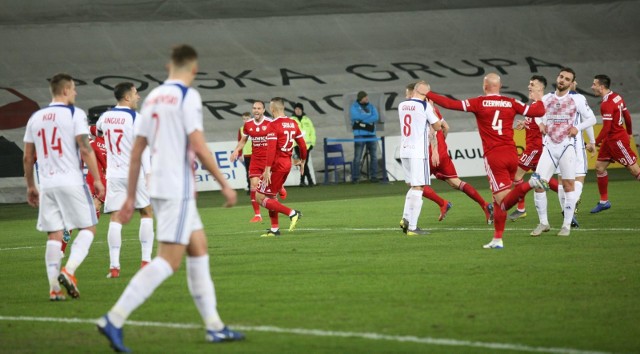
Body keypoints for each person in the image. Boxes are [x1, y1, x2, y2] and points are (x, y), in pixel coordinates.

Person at [97, 45, 244, 352]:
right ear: (194, 69)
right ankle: (114, 317)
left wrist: (128, 198)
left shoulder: (152, 99)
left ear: (168, 66)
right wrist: (224, 183)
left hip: (163, 185)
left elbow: (137, 150)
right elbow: (199, 144)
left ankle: (214, 326)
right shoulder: (187, 96)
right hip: (175, 187)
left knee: (199, 248)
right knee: (169, 260)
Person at [427, 73, 546, 249]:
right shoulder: (511, 102)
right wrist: (540, 97)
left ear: (485, 86)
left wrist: (428, 94)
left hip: (495, 157)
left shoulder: (479, 102)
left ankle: (530, 184)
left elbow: (451, 104)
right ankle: (497, 239)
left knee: (503, 201)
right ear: (500, 86)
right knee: (497, 201)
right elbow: (539, 111)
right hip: (511, 154)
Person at [22, 73, 105, 300]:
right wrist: (97, 179)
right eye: (74, 89)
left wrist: (31, 186)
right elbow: (86, 148)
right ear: (66, 90)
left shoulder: (35, 118)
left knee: (54, 235)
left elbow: (28, 157)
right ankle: (69, 271)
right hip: (71, 181)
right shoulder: (74, 114)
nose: (76, 93)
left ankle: (54, 290)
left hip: (47, 184)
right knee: (88, 228)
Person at [401, 83, 494, 226]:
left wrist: (435, 150)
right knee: (456, 182)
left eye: (408, 94)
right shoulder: (434, 108)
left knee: (415, 184)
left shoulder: (420, 107)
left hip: (429, 153)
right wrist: (442, 143)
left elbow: (432, 130)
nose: (407, 97)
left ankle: (441, 203)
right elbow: (446, 127)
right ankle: (485, 205)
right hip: (442, 152)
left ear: (415, 92)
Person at [96, 82, 155, 278]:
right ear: (127, 97)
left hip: (113, 175)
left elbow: (97, 131)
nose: (138, 97)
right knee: (146, 213)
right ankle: (146, 262)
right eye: (136, 94)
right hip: (134, 174)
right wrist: (149, 174)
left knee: (115, 218)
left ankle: (114, 267)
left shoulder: (105, 117)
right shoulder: (136, 118)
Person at [528, 68, 596, 237]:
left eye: (567, 79)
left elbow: (592, 119)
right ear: (557, 78)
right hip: (549, 147)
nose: (562, 80)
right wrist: (541, 124)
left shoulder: (577, 99)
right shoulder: (546, 98)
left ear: (571, 83)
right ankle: (543, 223)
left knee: (567, 186)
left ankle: (566, 225)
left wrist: (577, 127)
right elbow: (537, 114)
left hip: (567, 147)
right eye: (561, 77)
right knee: (538, 184)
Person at [508, 76, 560, 222]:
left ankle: (521, 209)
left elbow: (547, 125)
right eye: (529, 84)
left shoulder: (544, 105)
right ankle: (570, 196)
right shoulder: (534, 105)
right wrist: (525, 124)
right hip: (535, 148)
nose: (529, 86)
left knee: (516, 177)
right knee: (545, 178)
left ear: (540, 88)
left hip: (535, 149)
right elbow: (536, 122)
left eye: (532, 84)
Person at [254, 97, 307, 237]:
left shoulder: (273, 125)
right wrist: (303, 160)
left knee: (259, 197)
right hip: (287, 164)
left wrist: (267, 170)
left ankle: (292, 213)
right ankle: (274, 229)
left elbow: (271, 149)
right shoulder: (293, 123)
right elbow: (302, 145)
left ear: (272, 109)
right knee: (271, 196)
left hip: (276, 165)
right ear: (283, 108)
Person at [230, 101, 287, 223]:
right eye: (254, 108)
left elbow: (278, 141)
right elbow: (243, 141)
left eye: (259, 108)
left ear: (263, 110)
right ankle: (257, 215)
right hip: (255, 160)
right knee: (254, 185)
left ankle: (278, 191)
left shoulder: (270, 123)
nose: (256, 110)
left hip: (268, 161)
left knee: (270, 193)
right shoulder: (248, 125)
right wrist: (236, 151)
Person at [590, 74, 639, 213]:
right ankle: (604, 202)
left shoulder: (606, 104)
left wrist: (594, 143)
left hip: (617, 141)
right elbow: (627, 116)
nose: (592, 87)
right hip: (611, 140)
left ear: (601, 86)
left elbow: (606, 128)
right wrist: (629, 131)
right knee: (599, 167)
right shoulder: (617, 97)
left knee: (635, 170)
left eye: (594, 84)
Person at [398, 81, 442, 235]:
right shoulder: (425, 106)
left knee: (413, 186)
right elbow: (437, 126)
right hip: (418, 152)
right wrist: (432, 109)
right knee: (419, 187)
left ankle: (405, 218)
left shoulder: (402, 105)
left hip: (404, 150)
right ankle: (412, 227)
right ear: (427, 93)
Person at [350, 91, 379, 183]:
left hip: (371, 134)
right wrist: (368, 117)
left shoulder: (371, 106)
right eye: (365, 97)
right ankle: (355, 177)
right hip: (359, 134)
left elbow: (376, 117)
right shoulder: (354, 107)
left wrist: (362, 121)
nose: (367, 99)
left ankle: (374, 176)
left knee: (374, 156)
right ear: (360, 98)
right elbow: (355, 116)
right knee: (358, 156)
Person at [291, 102, 316, 187]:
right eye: (296, 109)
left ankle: (302, 181)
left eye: (299, 109)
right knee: (303, 163)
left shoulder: (307, 120)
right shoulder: (292, 120)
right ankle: (309, 180)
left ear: (302, 110)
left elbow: (312, 132)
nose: (297, 111)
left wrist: (312, 143)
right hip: (297, 145)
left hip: (307, 145)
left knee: (304, 163)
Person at [237, 112, 253, 193]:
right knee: (249, 172)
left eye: (247, 118)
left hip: (257, 153)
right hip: (247, 154)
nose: (246, 120)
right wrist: (239, 154)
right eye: (244, 119)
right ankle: (250, 187)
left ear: (251, 118)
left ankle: (262, 188)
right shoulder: (241, 129)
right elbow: (240, 142)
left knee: (260, 171)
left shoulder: (256, 127)